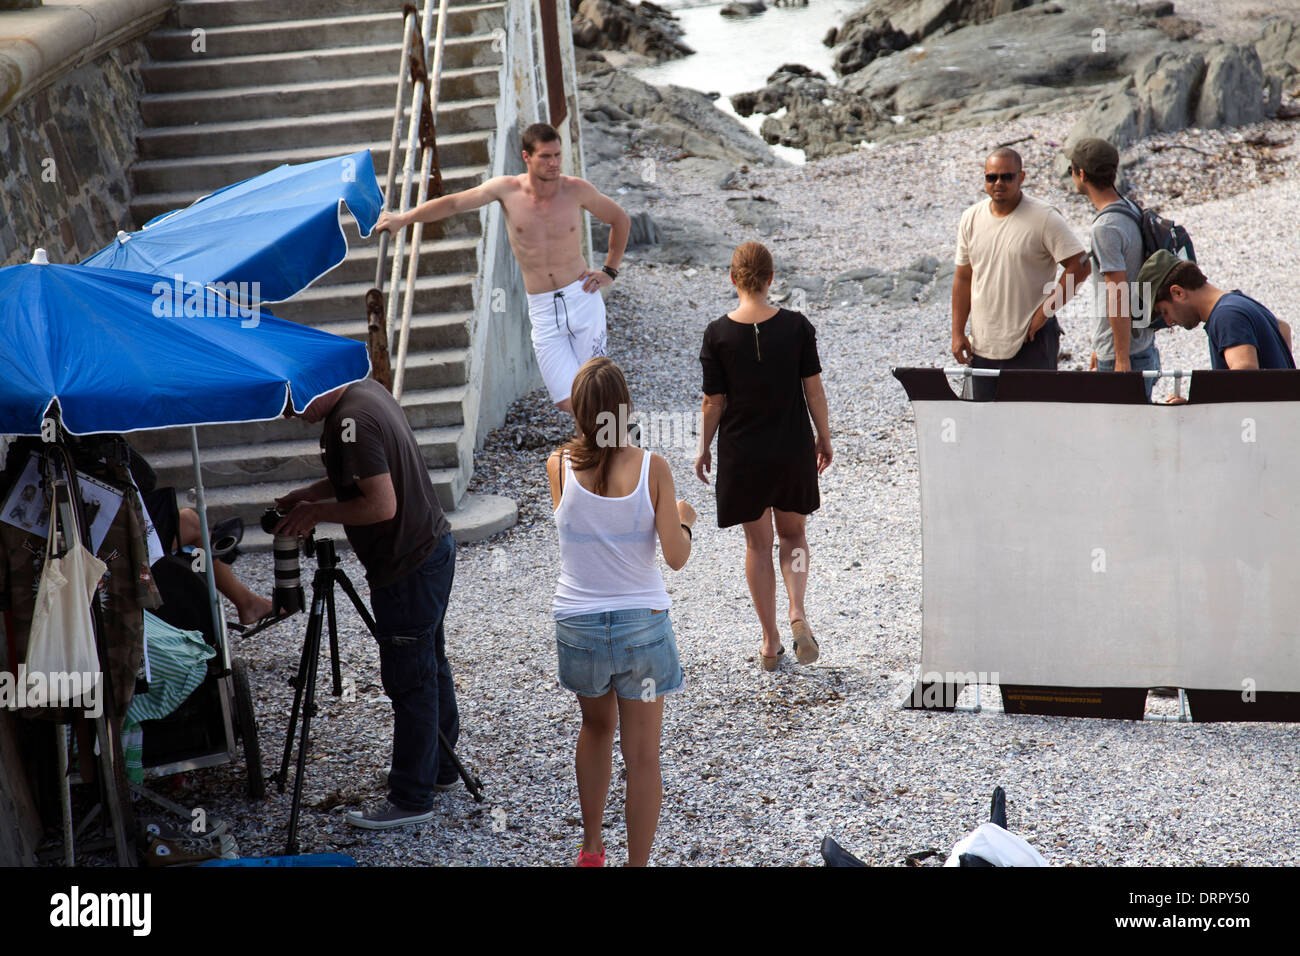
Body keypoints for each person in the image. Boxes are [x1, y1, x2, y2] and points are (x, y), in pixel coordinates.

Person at [276, 378, 460, 829]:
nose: (289, 415)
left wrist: (317, 513)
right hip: (431, 549)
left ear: (307, 384)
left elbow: (381, 504)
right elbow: (365, 472)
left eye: (290, 403)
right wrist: (314, 494)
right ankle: (438, 769)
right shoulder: (364, 390)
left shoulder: (350, 420)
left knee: (410, 680)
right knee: (430, 665)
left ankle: (412, 799)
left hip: (407, 564)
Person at [546, 357, 694, 867]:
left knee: (595, 729)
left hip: (578, 623)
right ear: (623, 407)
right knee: (643, 756)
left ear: (578, 410)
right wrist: (682, 518)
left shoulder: (557, 465)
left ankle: (590, 849)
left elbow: (579, 536)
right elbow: (675, 557)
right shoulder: (653, 467)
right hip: (641, 629)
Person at [375, 122, 631, 413]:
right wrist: (403, 219)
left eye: (558, 155)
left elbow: (620, 219)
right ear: (526, 157)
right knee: (565, 399)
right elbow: (454, 203)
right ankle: (603, 444)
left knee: (596, 386)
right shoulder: (506, 190)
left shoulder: (576, 190)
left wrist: (609, 271)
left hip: (581, 296)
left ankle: (608, 450)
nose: (554, 163)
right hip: (543, 306)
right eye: (546, 156)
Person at [695, 241, 832, 671]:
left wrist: (703, 447)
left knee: (757, 544)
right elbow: (813, 389)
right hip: (791, 446)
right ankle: (797, 611)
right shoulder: (796, 327)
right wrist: (824, 437)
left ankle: (771, 642)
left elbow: (712, 402)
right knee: (793, 536)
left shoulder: (717, 334)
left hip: (743, 452)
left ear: (733, 279)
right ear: (771, 279)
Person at [951, 148, 1089, 401]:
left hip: (1031, 342)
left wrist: (1044, 312)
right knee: (985, 424)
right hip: (983, 344)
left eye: (1007, 177)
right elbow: (963, 278)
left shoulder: (1044, 217)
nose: (999, 183)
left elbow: (1080, 266)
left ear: (1022, 177)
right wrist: (957, 332)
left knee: (1033, 424)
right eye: (991, 177)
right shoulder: (970, 218)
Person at [1069, 137, 1161, 399]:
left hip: (1126, 354)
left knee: (1121, 433)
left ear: (1082, 174)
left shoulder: (1105, 227)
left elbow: (1118, 291)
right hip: (1143, 343)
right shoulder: (1131, 208)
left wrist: (1120, 359)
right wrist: (1102, 347)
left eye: (1071, 170)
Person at [1140, 250, 1294, 371]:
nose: (1168, 322)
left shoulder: (1226, 316)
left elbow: (1245, 372)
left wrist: (1198, 405)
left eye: (1164, 311)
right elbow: (1283, 328)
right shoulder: (1238, 302)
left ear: (1178, 293)